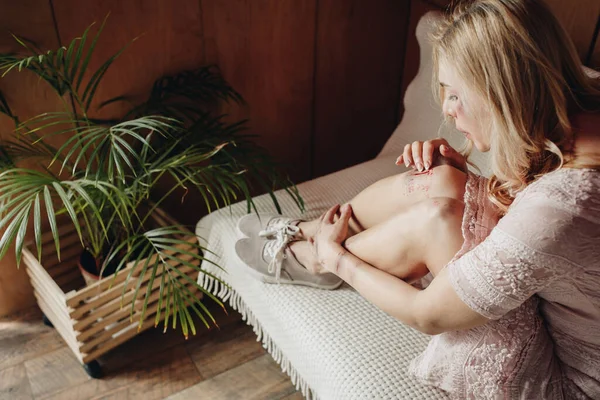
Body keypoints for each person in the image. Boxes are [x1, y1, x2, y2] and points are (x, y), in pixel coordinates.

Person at [234, 0, 600, 398]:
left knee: (439, 221)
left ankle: (318, 258)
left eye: (456, 94)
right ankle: (308, 229)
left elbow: (428, 314)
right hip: (559, 302)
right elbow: (543, 229)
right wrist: (462, 173)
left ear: (504, 94)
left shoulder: (564, 202)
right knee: (441, 180)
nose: (447, 108)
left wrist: (341, 259)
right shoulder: (580, 114)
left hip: (572, 381)